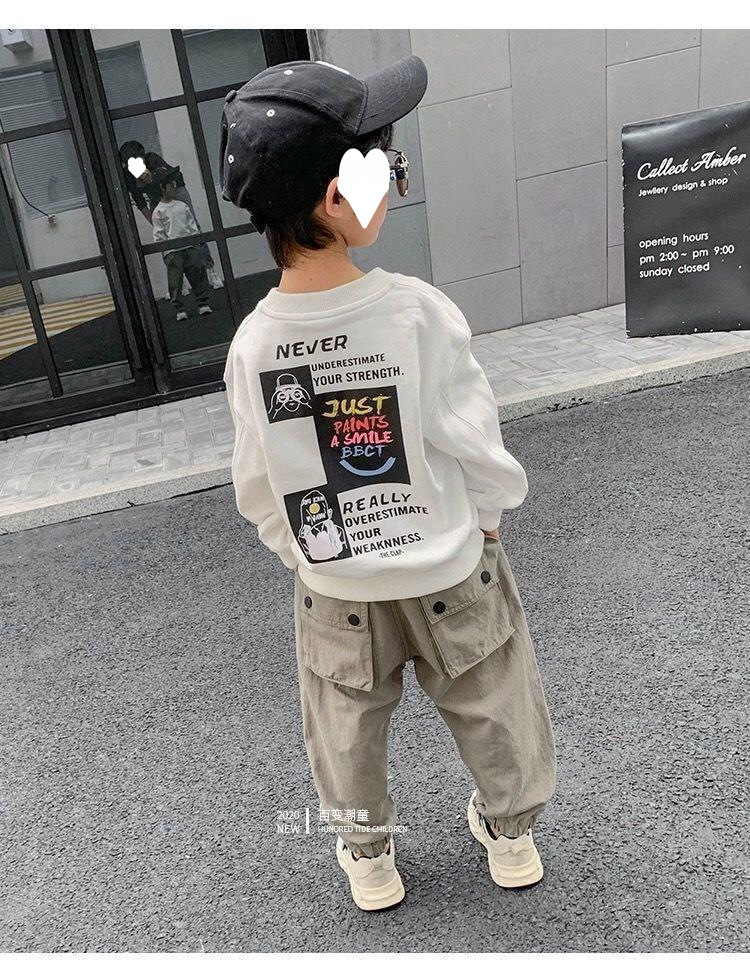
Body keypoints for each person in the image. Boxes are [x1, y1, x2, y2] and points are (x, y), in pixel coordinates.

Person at [220, 57, 556, 912]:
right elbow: (473, 437)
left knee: (345, 728)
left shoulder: (254, 347)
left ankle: (369, 859)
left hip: (336, 580)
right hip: (447, 560)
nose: (397, 178)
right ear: (336, 199)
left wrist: (301, 552)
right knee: (493, 696)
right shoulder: (415, 312)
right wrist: (489, 516)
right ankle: (512, 835)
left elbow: (257, 481)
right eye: (386, 164)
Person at [118, 140, 221, 288]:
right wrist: (155, 221)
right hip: (155, 197)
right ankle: (177, 282)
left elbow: (168, 179)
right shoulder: (128, 176)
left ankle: (210, 270)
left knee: (192, 228)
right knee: (163, 238)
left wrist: (150, 178)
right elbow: (140, 202)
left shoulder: (152, 159)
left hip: (175, 189)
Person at [151, 173, 212, 321]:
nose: (173, 187)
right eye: (170, 185)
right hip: (173, 252)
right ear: (162, 188)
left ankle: (203, 303)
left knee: (198, 274)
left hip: (189, 247)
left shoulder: (182, 206)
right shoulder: (158, 211)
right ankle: (180, 308)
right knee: (175, 281)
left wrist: (195, 242)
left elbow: (192, 225)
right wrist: (166, 251)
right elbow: (159, 234)